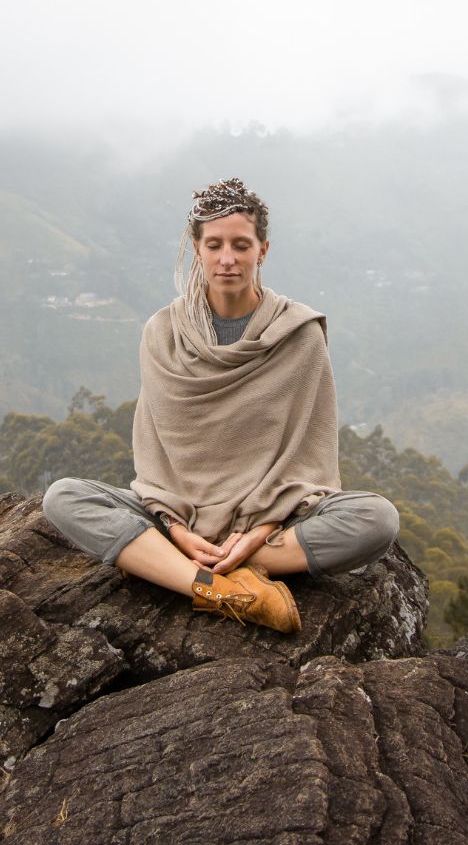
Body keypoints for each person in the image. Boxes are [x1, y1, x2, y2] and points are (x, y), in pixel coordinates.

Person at [43, 177, 399, 633]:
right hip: (179, 513)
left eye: (240, 245)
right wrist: (175, 527)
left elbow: (306, 455)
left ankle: (186, 568)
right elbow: (157, 451)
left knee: (376, 519)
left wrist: (256, 532)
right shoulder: (163, 332)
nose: (227, 259)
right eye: (214, 245)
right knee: (64, 498)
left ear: (262, 250)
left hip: (269, 520)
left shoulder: (298, 334)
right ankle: (221, 588)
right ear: (198, 250)